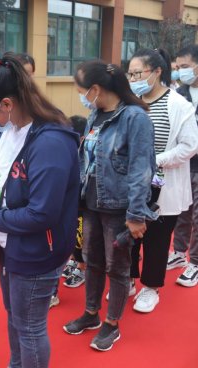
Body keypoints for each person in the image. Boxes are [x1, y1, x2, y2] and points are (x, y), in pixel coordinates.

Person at [0, 51, 80, 368]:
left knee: (29, 328)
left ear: (7, 104)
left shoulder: (50, 141)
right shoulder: (8, 131)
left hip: (38, 250)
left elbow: (42, 214)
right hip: (10, 244)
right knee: (16, 318)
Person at [63, 60, 157, 351]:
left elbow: (142, 169)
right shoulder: (95, 114)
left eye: (82, 91)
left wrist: (136, 215)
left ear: (95, 89)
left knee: (117, 268)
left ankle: (111, 324)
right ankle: (91, 314)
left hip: (119, 208)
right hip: (91, 204)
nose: (81, 96)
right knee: (91, 262)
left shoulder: (134, 118)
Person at [127, 48, 198, 313]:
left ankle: (150, 288)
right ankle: (129, 280)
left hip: (160, 183)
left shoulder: (179, 105)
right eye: (130, 73)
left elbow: (190, 146)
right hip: (131, 183)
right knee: (129, 236)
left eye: (138, 73)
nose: (133, 78)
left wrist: (155, 160)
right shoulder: (130, 101)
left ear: (157, 72)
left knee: (156, 238)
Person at [169, 44, 198, 287]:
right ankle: (178, 252)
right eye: (178, 68)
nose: (180, 72)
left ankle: (196, 262)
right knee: (182, 211)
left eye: (185, 67)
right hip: (183, 163)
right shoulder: (179, 94)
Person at [62, 115, 88, 289]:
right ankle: (74, 258)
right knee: (71, 232)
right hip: (70, 200)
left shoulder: (86, 152)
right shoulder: (67, 149)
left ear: (82, 137)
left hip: (82, 200)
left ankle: (82, 267)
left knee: (81, 233)